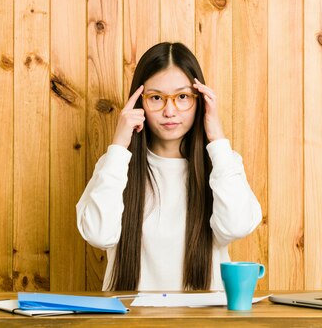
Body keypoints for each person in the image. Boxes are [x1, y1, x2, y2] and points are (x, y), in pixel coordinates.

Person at [76, 42, 262, 291]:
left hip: (203, 320)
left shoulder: (222, 163)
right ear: (139, 103)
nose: (170, 111)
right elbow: (98, 234)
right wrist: (119, 145)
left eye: (182, 97)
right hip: (131, 321)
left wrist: (217, 138)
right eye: (156, 98)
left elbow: (237, 226)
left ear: (200, 101)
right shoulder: (115, 165)